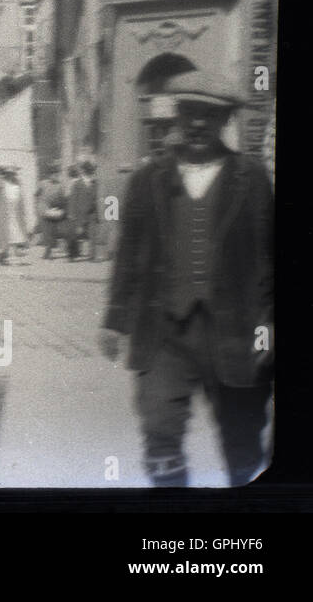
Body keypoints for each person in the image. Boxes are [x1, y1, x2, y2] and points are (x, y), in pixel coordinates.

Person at [99, 72, 273, 487]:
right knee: (159, 428)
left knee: (243, 439)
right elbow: (130, 254)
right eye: (191, 113)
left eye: (210, 115)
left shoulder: (251, 179)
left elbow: (269, 258)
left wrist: (268, 324)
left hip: (234, 332)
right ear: (177, 116)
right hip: (164, 333)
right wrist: (114, 319)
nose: (198, 124)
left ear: (225, 120)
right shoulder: (148, 180)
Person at [0, 167, 28, 264]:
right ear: (5, 175)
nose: (10, 176)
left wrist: (23, 212)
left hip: (15, 214)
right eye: (8, 174)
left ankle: (13, 256)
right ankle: (7, 256)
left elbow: (21, 201)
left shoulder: (17, 186)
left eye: (12, 174)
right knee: (6, 234)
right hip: (4, 214)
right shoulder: (0, 185)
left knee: (16, 234)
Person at [68, 160, 99, 261]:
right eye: (90, 171)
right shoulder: (77, 184)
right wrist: (71, 214)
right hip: (79, 213)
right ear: (85, 171)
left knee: (92, 234)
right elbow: (73, 199)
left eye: (92, 171)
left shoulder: (95, 183)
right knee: (76, 234)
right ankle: (72, 255)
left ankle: (92, 255)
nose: (91, 173)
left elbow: (97, 198)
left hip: (92, 213)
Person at [36, 167, 67, 260]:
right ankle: (47, 251)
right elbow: (36, 195)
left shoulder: (60, 185)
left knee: (53, 231)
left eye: (56, 174)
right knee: (46, 231)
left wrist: (59, 208)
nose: (55, 176)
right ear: (49, 175)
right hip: (44, 209)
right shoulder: (42, 183)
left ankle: (49, 250)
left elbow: (62, 198)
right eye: (53, 174)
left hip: (55, 210)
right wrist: (38, 206)